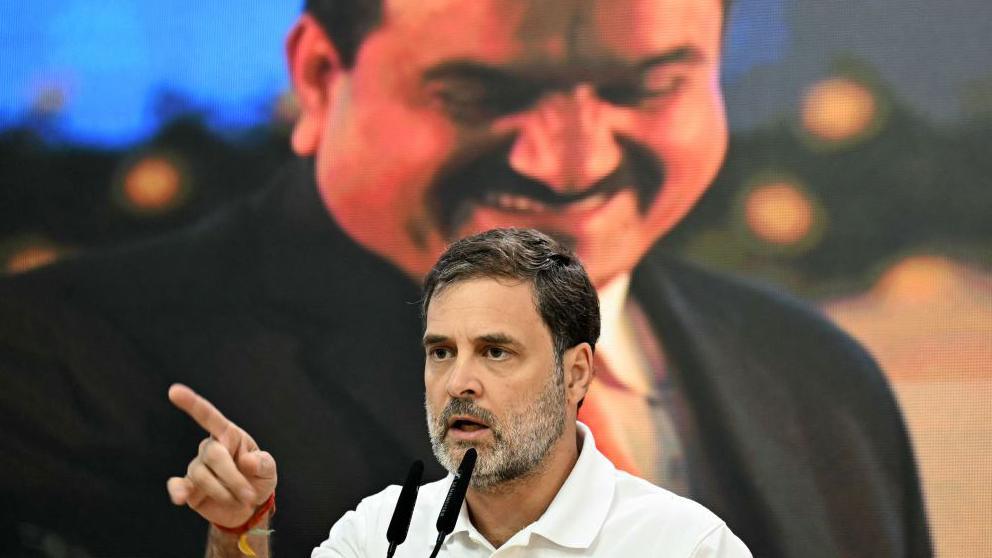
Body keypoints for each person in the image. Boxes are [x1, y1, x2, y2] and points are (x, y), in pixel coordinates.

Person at [0, 0, 929, 557]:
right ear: (323, 78)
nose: (570, 160)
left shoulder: (819, 376)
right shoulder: (48, 366)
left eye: (645, 87)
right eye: (482, 94)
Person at [166, 228, 753, 557]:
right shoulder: (383, 535)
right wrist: (239, 532)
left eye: (495, 352)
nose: (458, 383)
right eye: (441, 352)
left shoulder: (683, 545)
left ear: (575, 374)